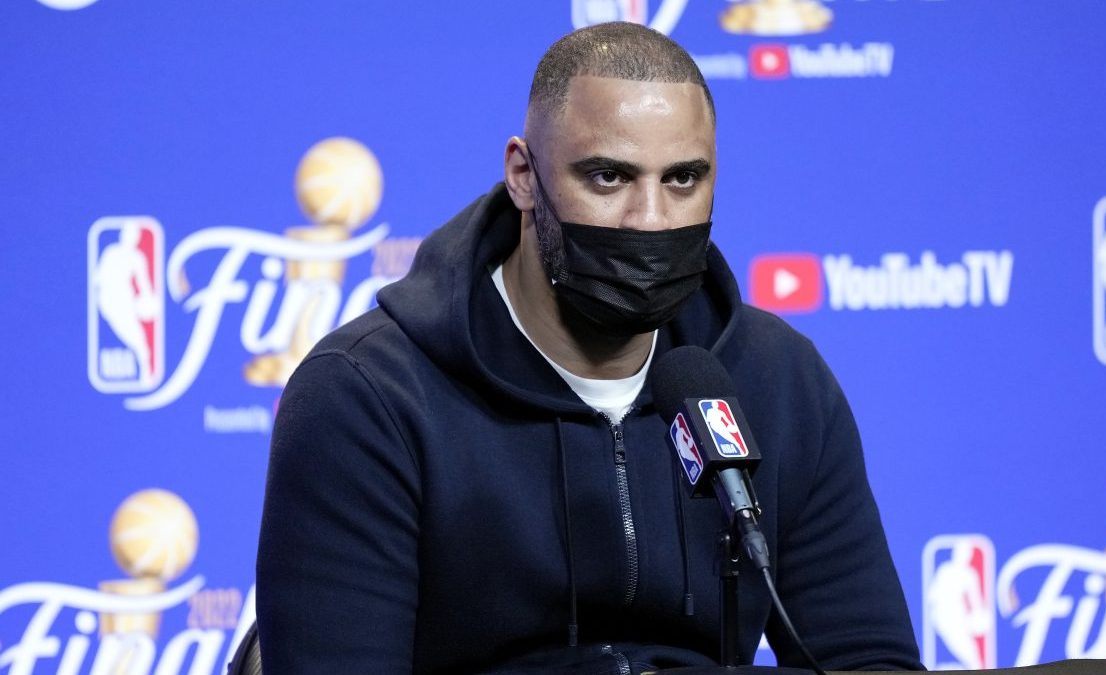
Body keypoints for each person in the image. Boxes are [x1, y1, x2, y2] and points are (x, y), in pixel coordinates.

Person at [256, 21, 922, 674]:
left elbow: (867, 658)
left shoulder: (777, 378)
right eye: (608, 177)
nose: (650, 220)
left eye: (683, 179)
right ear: (523, 175)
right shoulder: (367, 395)